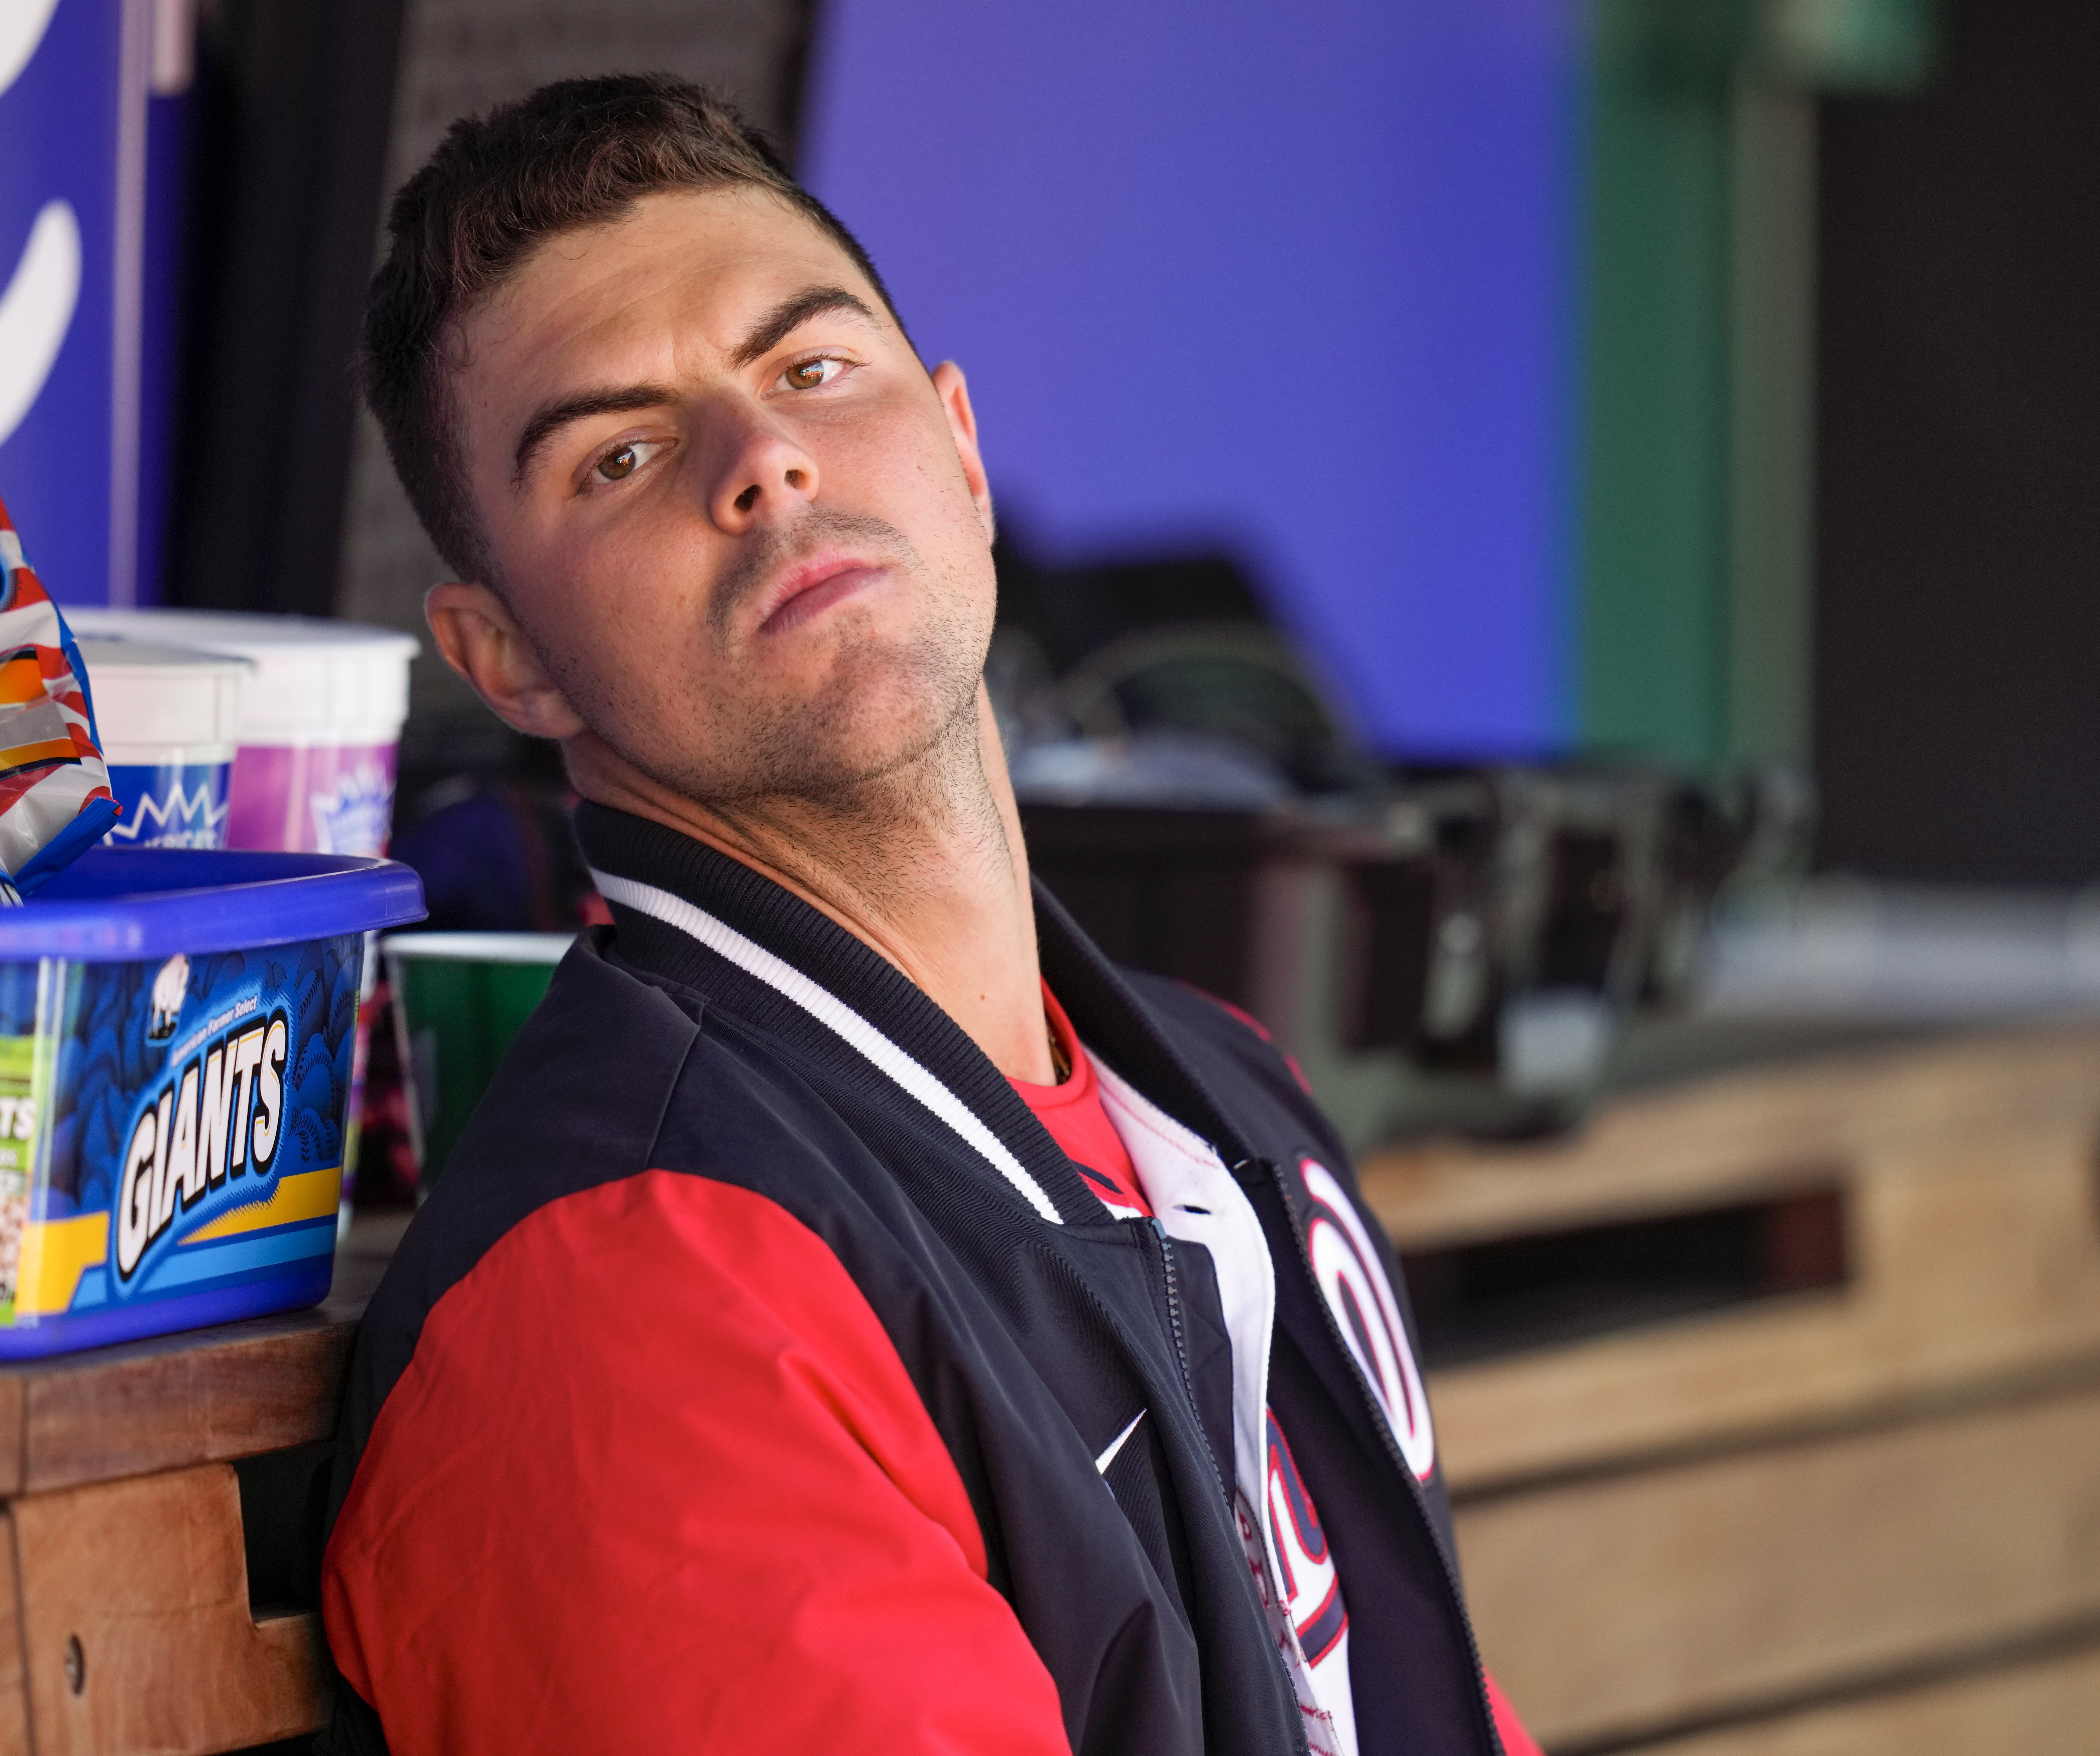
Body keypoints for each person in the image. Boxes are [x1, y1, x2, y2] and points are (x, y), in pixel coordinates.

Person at [320, 74, 1540, 1756]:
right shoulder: (638, 1298)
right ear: (505, 658)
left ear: (962, 451)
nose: (763, 461)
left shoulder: (1216, 1089)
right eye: (619, 454)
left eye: (812, 367)